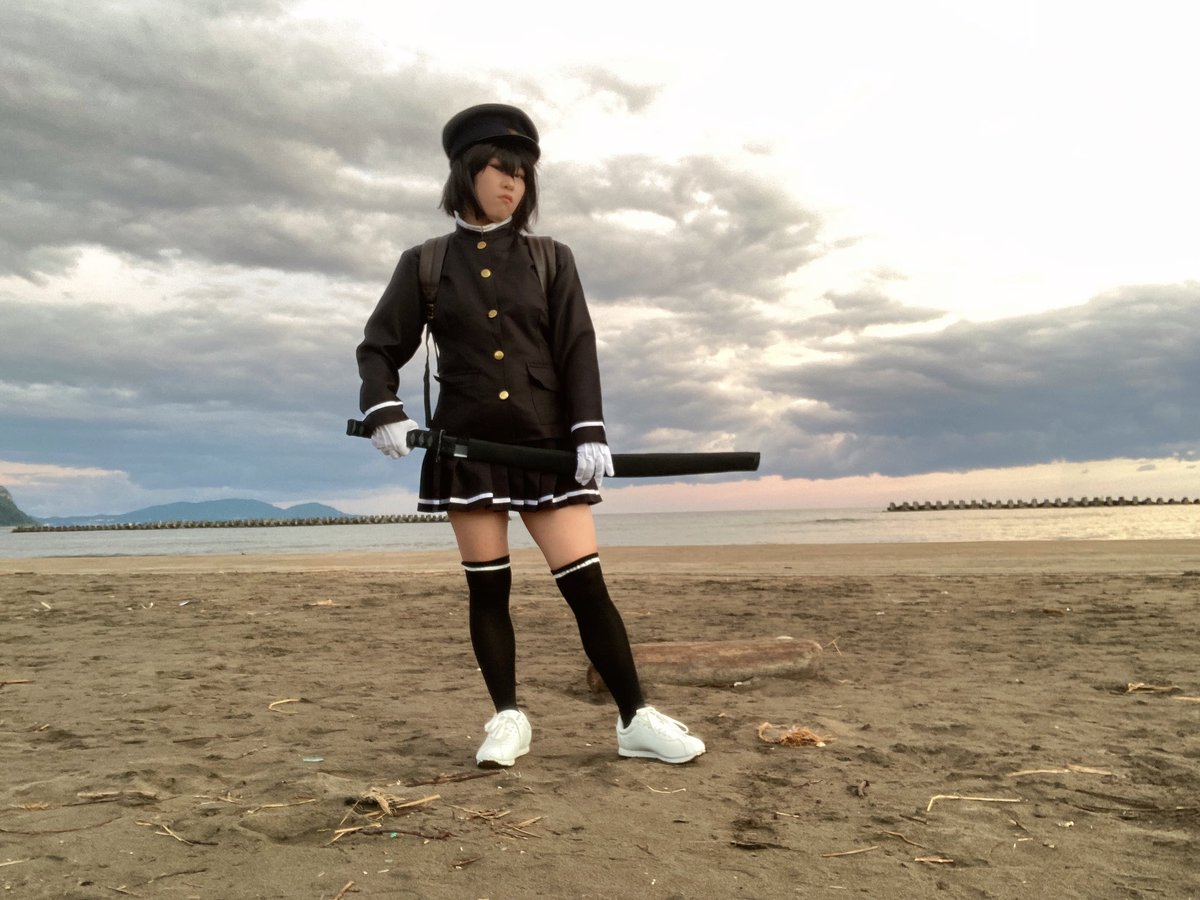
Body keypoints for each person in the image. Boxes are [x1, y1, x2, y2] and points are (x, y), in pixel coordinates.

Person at [355, 103, 705, 767]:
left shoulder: (551, 258)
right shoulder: (425, 263)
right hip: (466, 449)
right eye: (499, 168)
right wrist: (384, 408)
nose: (512, 183)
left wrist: (588, 430)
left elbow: (576, 345)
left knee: (586, 586)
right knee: (489, 590)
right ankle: (508, 719)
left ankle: (635, 718)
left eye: (522, 173)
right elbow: (378, 347)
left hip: (546, 447)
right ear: (466, 172)